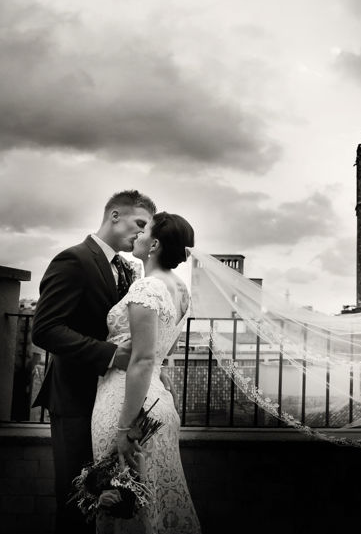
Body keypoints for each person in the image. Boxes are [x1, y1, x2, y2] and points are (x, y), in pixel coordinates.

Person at [32, 190, 156, 534]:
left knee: (110, 500)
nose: (142, 234)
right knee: (77, 499)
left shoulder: (126, 269)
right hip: (75, 398)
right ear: (115, 215)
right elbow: (45, 329)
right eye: (139, 223)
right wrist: (111, 355)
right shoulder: (73, 259)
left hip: (111, 401)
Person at [91, 211, 201, 533]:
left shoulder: (147, 288)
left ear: (153, 244)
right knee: (156, 501)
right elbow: (163, 351)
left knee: (126, 507)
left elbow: (140, 359)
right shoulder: (181, 289)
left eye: (144, 230)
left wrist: (125, 427)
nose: (137, 234)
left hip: (129, 405)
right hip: (159, 406)